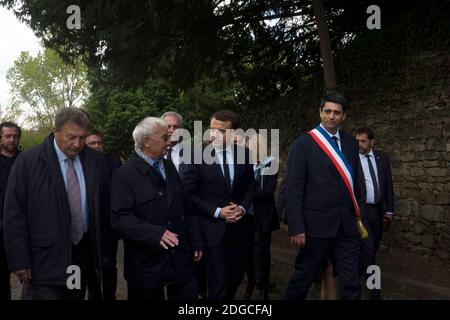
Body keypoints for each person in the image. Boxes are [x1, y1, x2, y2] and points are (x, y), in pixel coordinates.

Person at [3, 107, 112, 300]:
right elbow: (14, 213)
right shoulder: (29, 162)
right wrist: (19, 260)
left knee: (74, 296)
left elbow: (102, 209)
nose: (77, 144)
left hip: (79, 256)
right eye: (71, 137)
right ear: (55, 132)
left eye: (82, 137)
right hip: (42, 260)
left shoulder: (96, 162)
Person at [111, 117, 203, 300]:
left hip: (180, 258)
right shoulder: (124, 175)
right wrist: (155, 234)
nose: (169, 143)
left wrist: (196, 241)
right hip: (146, 264)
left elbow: (186, 206)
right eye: (164, 138)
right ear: (147, 142)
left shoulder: (168, 166)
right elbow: (120, 219)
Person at [283, 92, 362, 300]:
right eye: (327, 111)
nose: (331, 116)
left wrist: (357, 216)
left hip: (346, 225)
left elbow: (357, 183)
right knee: (304, 277)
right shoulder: (304, 143)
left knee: (351, 280)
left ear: (344, 116)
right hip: (315, 226)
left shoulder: (351, 143)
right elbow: (293, 188)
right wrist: (297, 226)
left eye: (337, 112)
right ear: (320, 112)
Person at [182, 109, 255, 300]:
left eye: (221, 131)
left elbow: (250, 188)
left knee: (236, 276)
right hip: (212, 231)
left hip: (239, 230)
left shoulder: (245, 154)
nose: (214, 134)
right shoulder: (196, 155)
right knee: (218, 283)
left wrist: (242, 208)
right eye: (212, 129)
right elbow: (188, 194)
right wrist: (217, 212)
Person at [356, 127, 394, 300]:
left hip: (378, 212)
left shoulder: (382, 158)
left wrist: (390, 211)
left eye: (363, 141)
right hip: (361, 213)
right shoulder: (353, 159)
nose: (360, 144)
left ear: (372, 141)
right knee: (369, 250)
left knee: (370, 251)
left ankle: (351, 280)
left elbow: (388, 186)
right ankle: (375, 290)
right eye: (357, 141)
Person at [85, 130, 121, 300]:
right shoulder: (78, 163)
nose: (97, 146)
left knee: (108, 266)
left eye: (99, 143)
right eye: (92, 143)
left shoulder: (112, 163)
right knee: (85, 266)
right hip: (84, 228)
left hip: (107, 226)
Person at [246, 133, 280, 300]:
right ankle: (253, 283)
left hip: (264, 216)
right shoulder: (245, 164)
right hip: (247, 215)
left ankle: (263, 287)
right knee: (248, 253)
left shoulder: (271, 163)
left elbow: (268, 192)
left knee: (262, 253)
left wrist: (247, 192)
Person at [0, 122, 22, 300]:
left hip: (24, 229)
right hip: (1, 229)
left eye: (15, 136)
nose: (12, 140)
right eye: (7, 136)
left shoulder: (26, 161)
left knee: (32, 279)